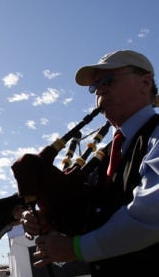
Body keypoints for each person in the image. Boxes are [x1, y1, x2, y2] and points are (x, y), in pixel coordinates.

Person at [22, 50, 159, 275]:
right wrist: (49, 220)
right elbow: (91, 217)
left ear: (145, 82)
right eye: (95, 88)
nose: (100, 91)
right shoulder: (105, 155)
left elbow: (151, 215)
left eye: (108, 81)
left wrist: (76, 248)